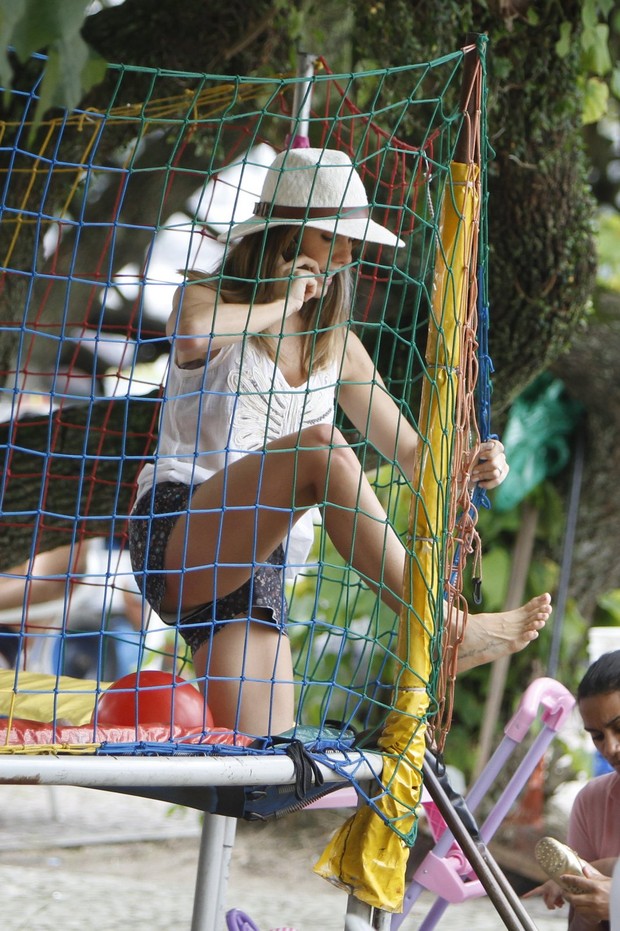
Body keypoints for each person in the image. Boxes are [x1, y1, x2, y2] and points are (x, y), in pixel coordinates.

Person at [128, 147, 552, 736]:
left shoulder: (339, 345)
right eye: (337, 235)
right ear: (289, 238)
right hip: (182, 534)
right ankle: (441, 625)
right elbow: (193, 337)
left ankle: (434, 626)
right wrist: (281, 305)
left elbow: (410, 452)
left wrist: (476, 464)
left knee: (264, 767)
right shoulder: (207, 295)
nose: (352, 251)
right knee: (321, 448)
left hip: (260, 569)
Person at [526, 650, 620, 930]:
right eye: (598, 736)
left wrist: (614, 901)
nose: (611, 748)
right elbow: (581, 920)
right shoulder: (592, 801)